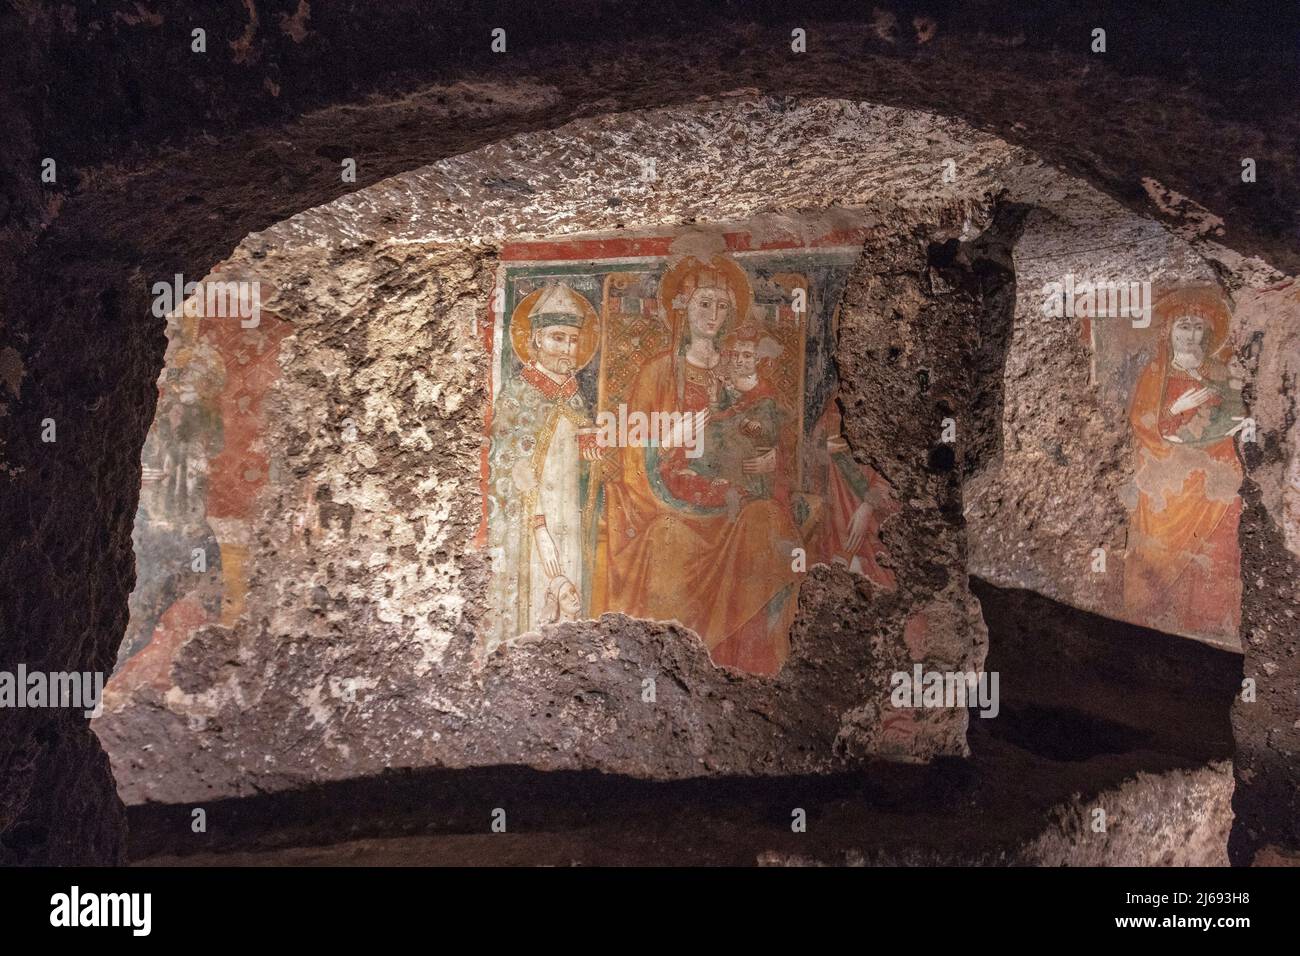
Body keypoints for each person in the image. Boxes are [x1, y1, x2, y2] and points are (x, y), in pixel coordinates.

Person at [590, 255, 801, 674]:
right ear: (683, 305)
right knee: (668, 539)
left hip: (733, 497)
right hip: (668, 500)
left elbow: (775, 429)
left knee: (769, 521)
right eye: (705, 303)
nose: (713, 315)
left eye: (722, 307)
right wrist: (663, 442)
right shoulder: (656, 374)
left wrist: (775, 460)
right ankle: (673, 666)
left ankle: (748, 664)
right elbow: (630, 451)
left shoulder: (741, 373)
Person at [1123, 293, 1245, 641]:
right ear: (1170, 332)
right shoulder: (1156, 373)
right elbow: (1143, 426)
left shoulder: (1219, 373)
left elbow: (1233, 417)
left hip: (1213, 476)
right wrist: (1176, 409)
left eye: (1197, 328)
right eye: (1184, 327)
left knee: (1228, 516)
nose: (1190, 335)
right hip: (1167, 478)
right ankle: (1150, 620)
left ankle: (1208, 622)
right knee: (1157, 542)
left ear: (1208, 333)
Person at [487, 283, 601, 649]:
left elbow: (582, 460)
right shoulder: (518, 393)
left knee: (570, 583)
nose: (567, 349)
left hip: (568, 510)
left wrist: (592, 448)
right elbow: (502, 452)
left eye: (572, 340)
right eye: (557, 338)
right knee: (538, 582)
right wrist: (517, 471)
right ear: (536, 339)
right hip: (532, 514)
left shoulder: (575, 395)